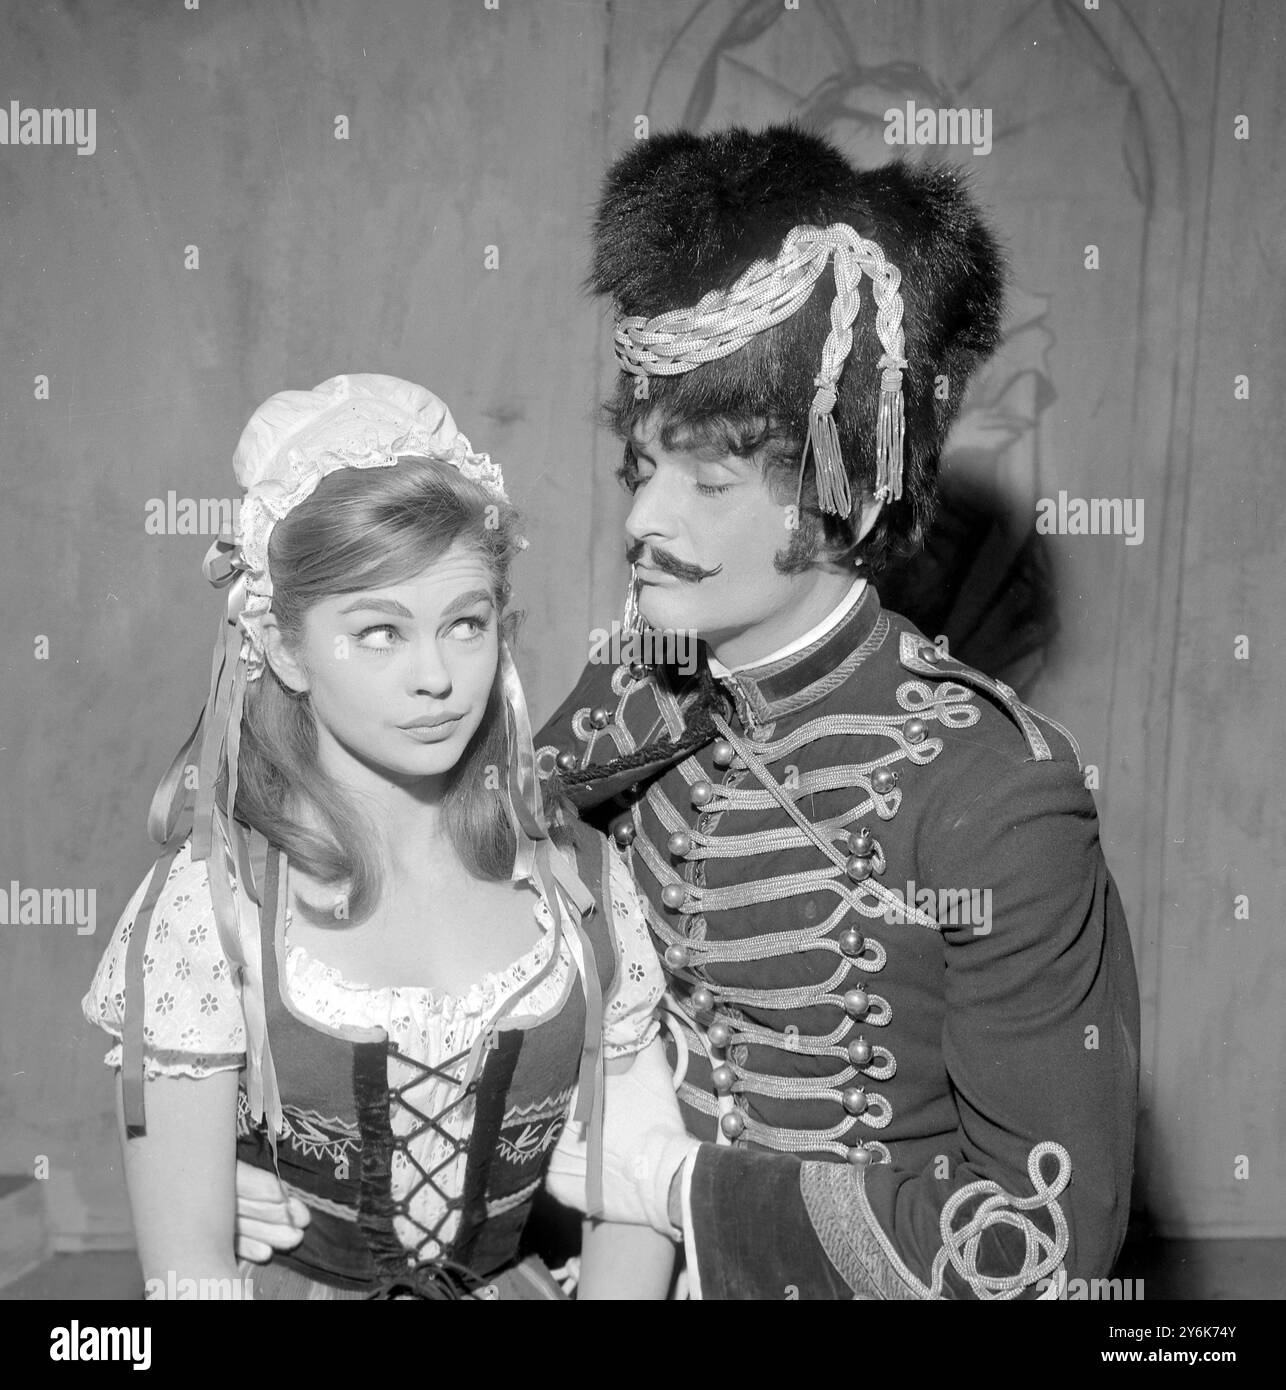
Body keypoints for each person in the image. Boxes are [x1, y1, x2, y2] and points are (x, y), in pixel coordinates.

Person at [235, 124, 1141, 1301]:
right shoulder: (636, 689)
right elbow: (453, 931)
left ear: (843, 497)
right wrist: (280, 1160)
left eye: (708, 480)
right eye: (638, 469)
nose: (644, 522)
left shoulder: (992, 793)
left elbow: (1043, 1240)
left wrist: (676, 1187)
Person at [83, 373, 682, 1299]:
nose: (436, 676)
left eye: (466, 623)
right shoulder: (214, 907)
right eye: (378, 633)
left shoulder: (581, 884)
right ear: (282, 646)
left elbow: (633, 1199)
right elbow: (186, 1270)